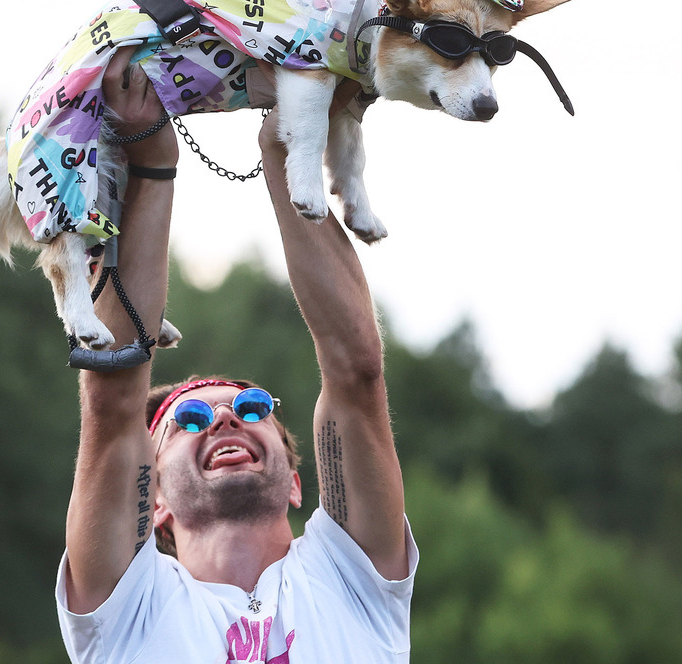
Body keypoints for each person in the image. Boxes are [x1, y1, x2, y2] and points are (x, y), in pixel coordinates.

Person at [55, 47, 417, 663]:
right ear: (154, 501)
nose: (225, 417)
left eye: (253, 409)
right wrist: (152, 162)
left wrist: (287, 148)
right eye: (188, 420)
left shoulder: (351, 577)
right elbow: (111, 406)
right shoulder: (125, 611)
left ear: (296, 484)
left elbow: (356, 373)